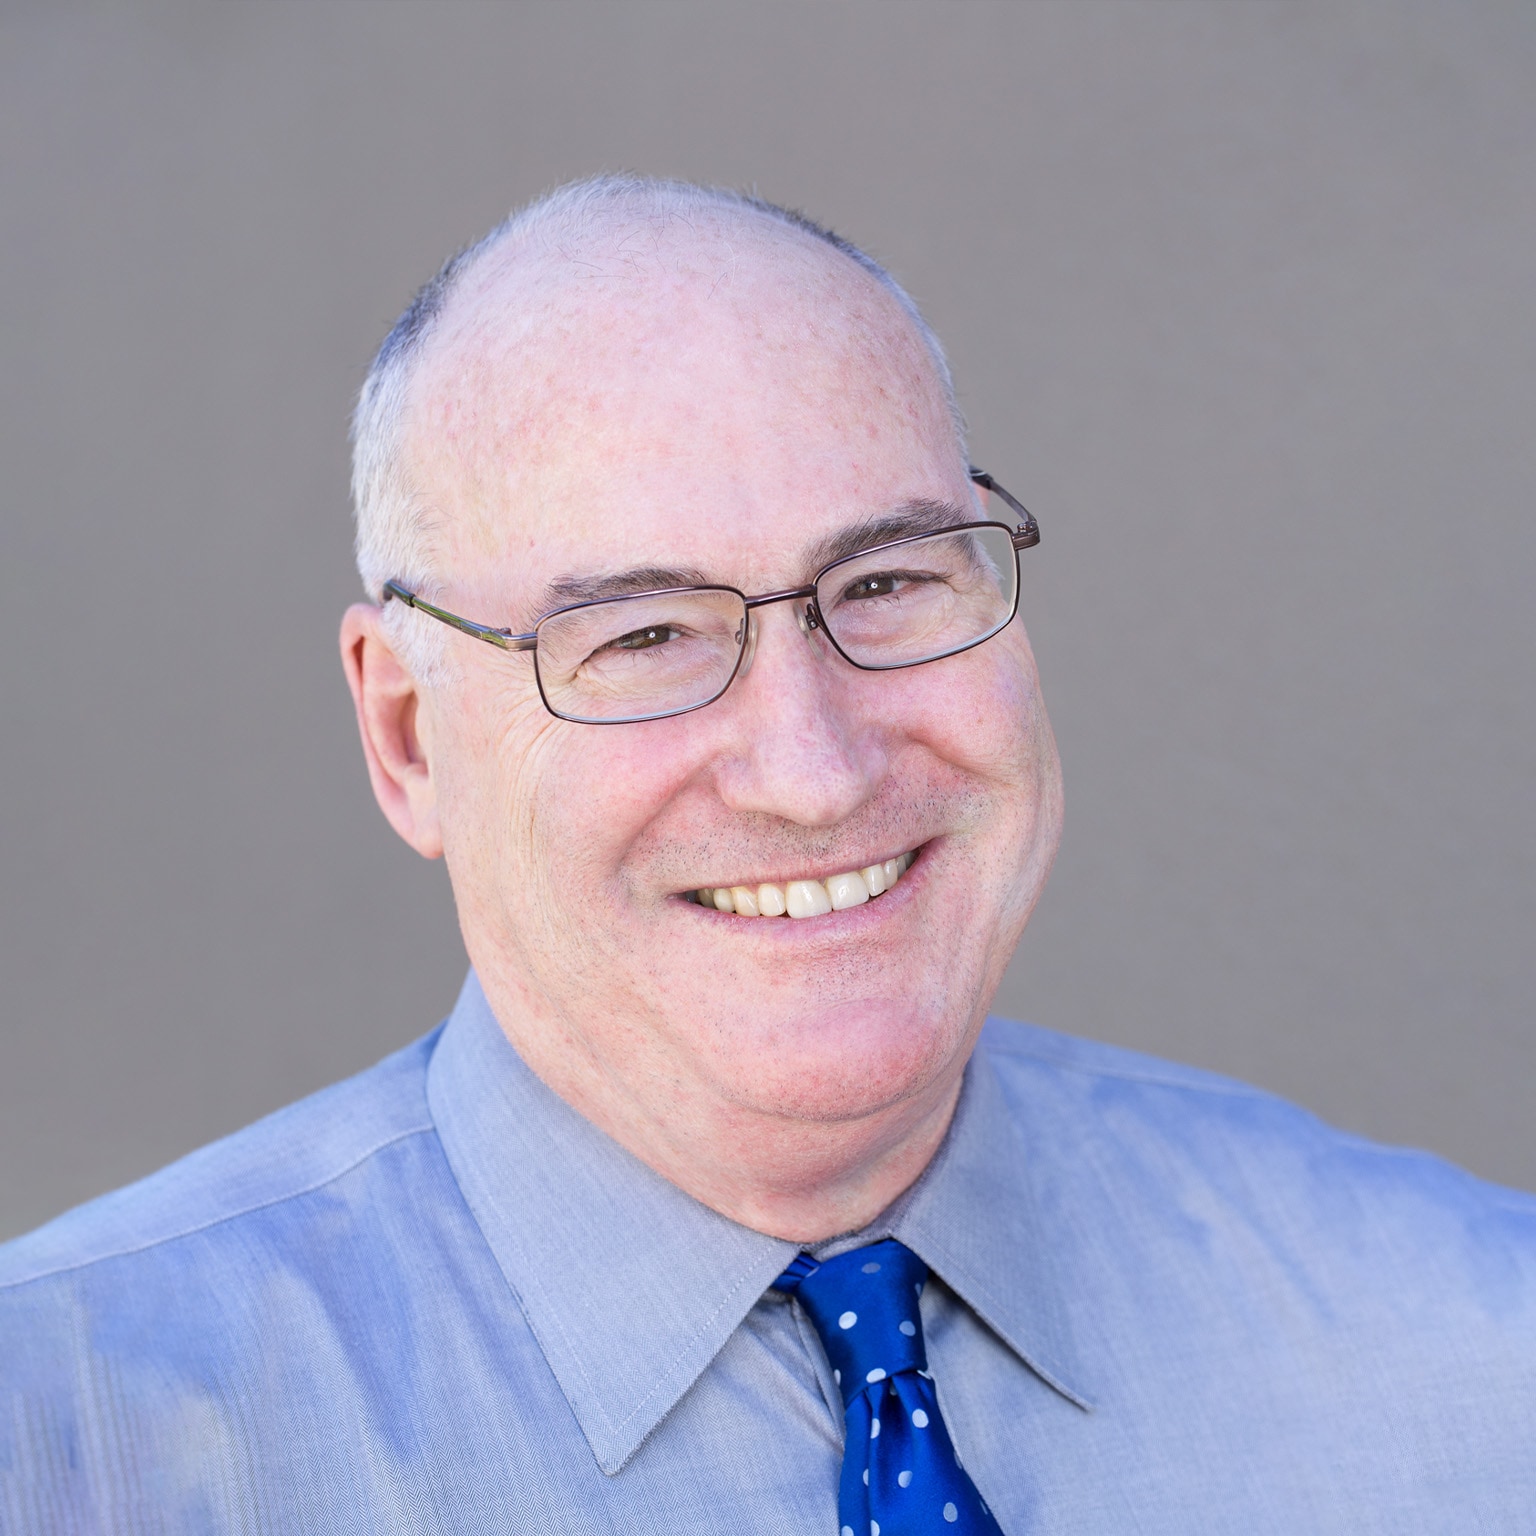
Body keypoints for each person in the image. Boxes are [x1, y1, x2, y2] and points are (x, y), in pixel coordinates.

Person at [2, 175, 1533, 1534]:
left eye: (884, 581)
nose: (812, 772)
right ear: (407, 737)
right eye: (644, 633)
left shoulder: (1480, 1347)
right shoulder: (66, 1441)